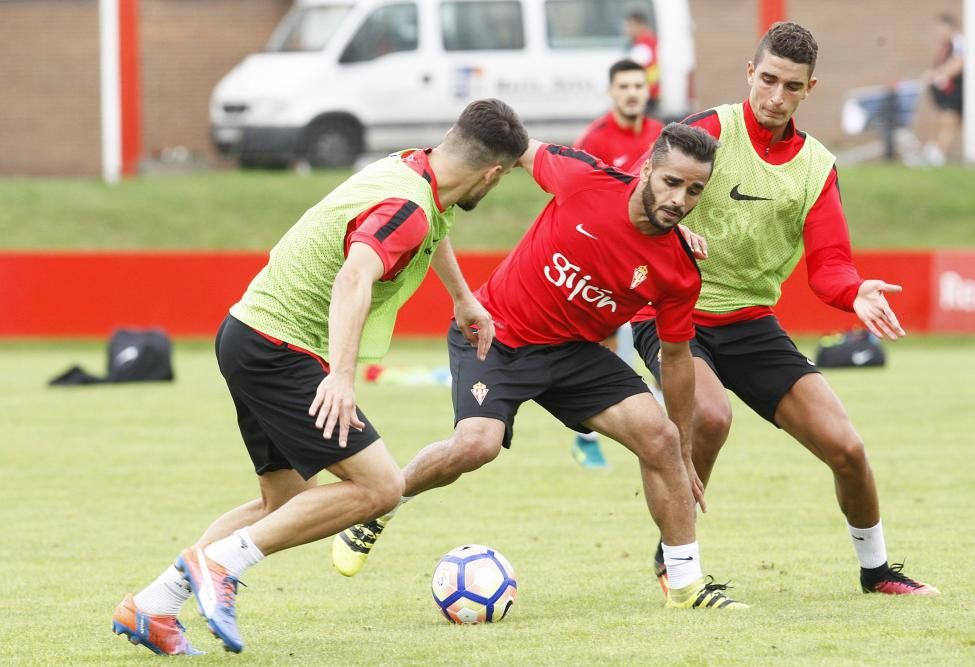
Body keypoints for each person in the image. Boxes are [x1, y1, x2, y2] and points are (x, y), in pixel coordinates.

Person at [111, 98, 530, 656]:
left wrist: (462, 297)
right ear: (494, 174)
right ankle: (220, 567)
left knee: (281, 503)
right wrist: (341, 375)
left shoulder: (417, 169)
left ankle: (153, 606)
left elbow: (436, 224)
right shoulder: (408, 207)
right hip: (281, 348)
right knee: (381, 487)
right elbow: (354, 278)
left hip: (248, 333)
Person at [334, 123, 749, 611]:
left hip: (572, 354)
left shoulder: (679, 269)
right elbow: (511, 143)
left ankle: (684, 585)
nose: (680, 199)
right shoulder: (583, 179)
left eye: (694, 190)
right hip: (497, 334)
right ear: (648, 169)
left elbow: (676, 358)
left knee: (657, 436)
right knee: (476, 446)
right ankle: (382, 503)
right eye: (672, 183)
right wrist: (433, 171)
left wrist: (682, 442)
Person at [627, 22, 939, 598]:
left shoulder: (816, 167)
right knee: (711, 417)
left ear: (808, 90)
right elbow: (635, 194)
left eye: (789, 87)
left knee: (846, 448)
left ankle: (877, 572)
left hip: (749, 323)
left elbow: (829, 267)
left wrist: (854, 292)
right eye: (766, 79)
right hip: (671, 314)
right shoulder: (708, 133)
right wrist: (670, 234)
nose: (774, 96)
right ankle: (676, 559)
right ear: (750, 73)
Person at [570, 58, 665, 468]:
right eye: (623, 86)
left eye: (637, 86)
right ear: (611, 93)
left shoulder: (663, 138)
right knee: (600, 352)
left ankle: (665, 437)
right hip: (602, 266)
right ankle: (586, 440)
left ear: (647, 92)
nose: (631, 93)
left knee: (666, 349)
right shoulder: (594, 140)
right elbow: (574, 202)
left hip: (650, 266)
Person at [922, 12, 975, 166]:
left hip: (967, 88)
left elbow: (958, 64)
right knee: (948, 120)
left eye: (940, 28)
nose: (937, 32)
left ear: (949, 27)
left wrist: (937, 74)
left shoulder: (959, 42)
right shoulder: (945, 46)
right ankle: (938, 154)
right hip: (955, 91)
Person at [624, 11, 660, 116]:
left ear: (640, 25)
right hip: (649, 92)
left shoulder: (643, 46)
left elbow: (631, 68)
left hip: (645, 94)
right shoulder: (651, 41)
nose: (627, 30)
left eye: (630, 26)